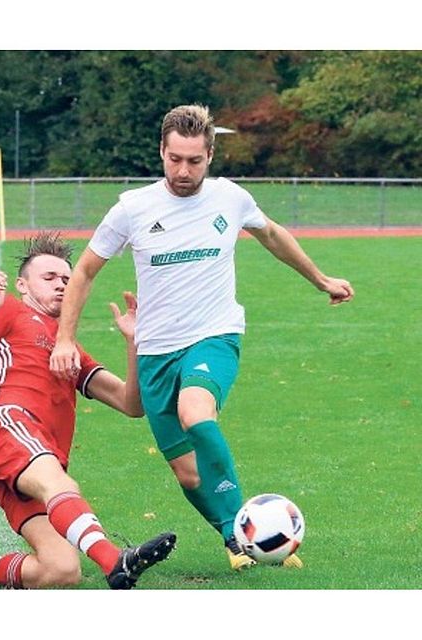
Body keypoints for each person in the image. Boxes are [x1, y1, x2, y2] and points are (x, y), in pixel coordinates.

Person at [49, 104, 355, 571]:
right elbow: (87, 269)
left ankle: (244, 525)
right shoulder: (133, 207)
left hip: (214, 335)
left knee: (196, 411)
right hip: (155, 351)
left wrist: (320, 279)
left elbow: (271, 235)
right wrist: (65, 338)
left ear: (210, 155)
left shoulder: (229, 198)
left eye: (194, 160)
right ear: (162, 151)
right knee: (187, 471)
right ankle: (235, 540)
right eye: (175, 159)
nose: (183, 170)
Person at [0, 232, 176, 590]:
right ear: (23, 286)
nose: (61, 285)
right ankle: (113, 559)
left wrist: (135, 343)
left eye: (67, 280)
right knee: (59, 483)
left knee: (61, 571)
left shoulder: (69, 347)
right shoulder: (11, 310)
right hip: (8, 428)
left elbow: (131, 404)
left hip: (34, 456)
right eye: (50, 278)